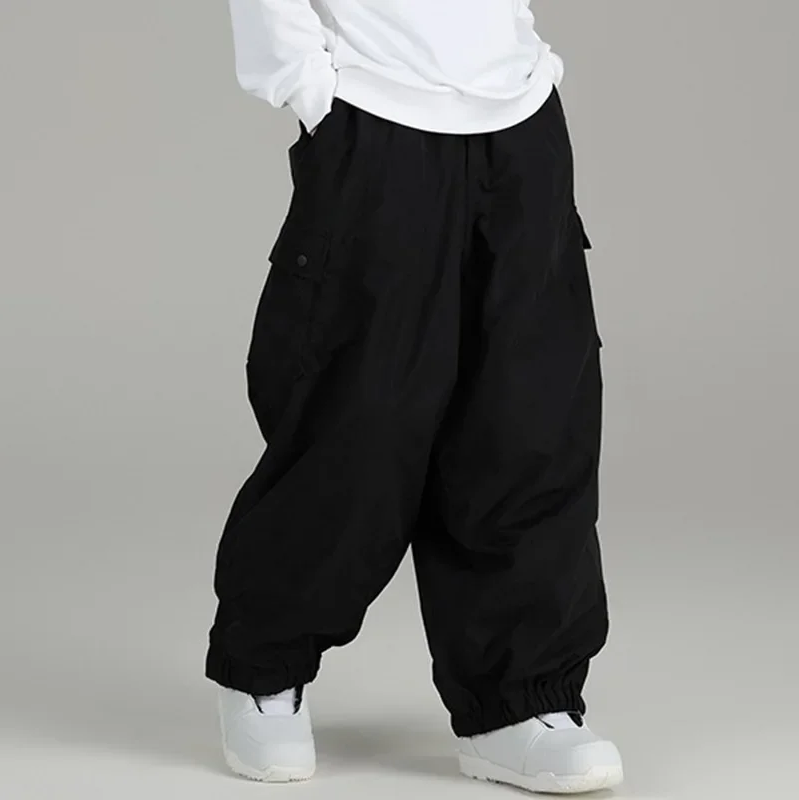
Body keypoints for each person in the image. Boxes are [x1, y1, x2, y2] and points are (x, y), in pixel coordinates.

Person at [206, 0, 623, 794]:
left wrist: (524, 56)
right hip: (375, 111)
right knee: (357, 419)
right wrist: (306, 84)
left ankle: (518, 702)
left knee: (529, 415)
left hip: (520, 115)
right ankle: (262, 668)